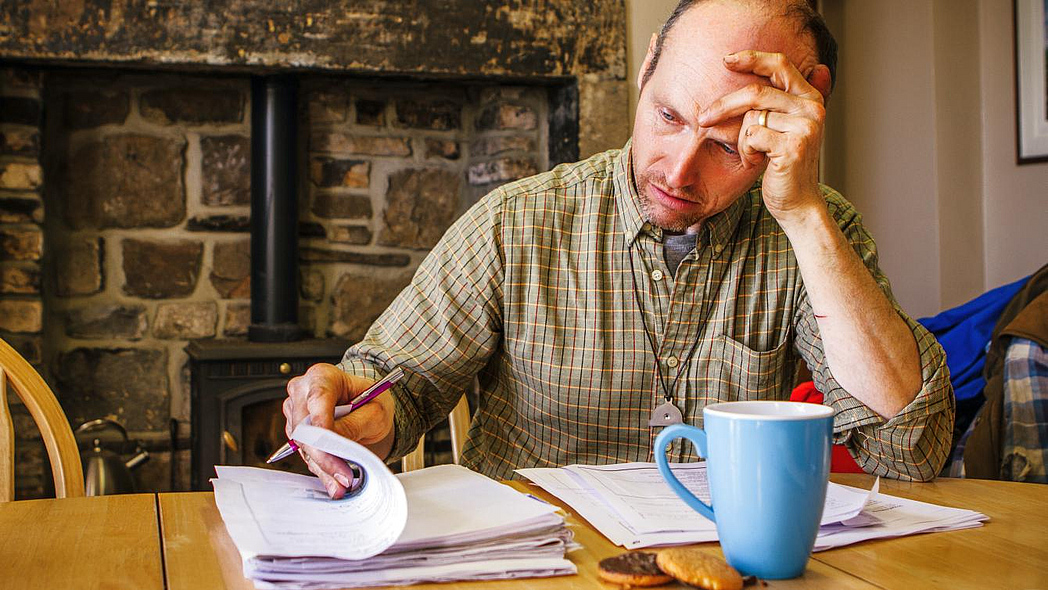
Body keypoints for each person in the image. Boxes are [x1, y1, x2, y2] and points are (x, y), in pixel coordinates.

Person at [283, 0, 955, 499]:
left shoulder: (816, 234)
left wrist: (804, 215)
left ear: (803, 118)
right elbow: (398, 386)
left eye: (726, 145)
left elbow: (912, 448)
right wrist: (354, 411)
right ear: (645, 71)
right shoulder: (515, 225)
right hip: (534, 569)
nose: (678, 171)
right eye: (667, 117)